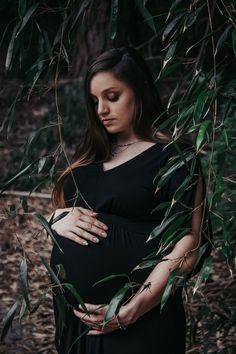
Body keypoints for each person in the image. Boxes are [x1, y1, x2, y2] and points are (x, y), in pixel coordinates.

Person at [50, 47, 211, 354]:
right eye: (94, 100)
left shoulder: (174, 157)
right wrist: (56, 218)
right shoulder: (88, 160)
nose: (101, 110)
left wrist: (134, 308)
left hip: (141, 323)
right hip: (77, 327)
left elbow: (190, 241)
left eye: (112, 96)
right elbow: (67, 218)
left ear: (139, 92)